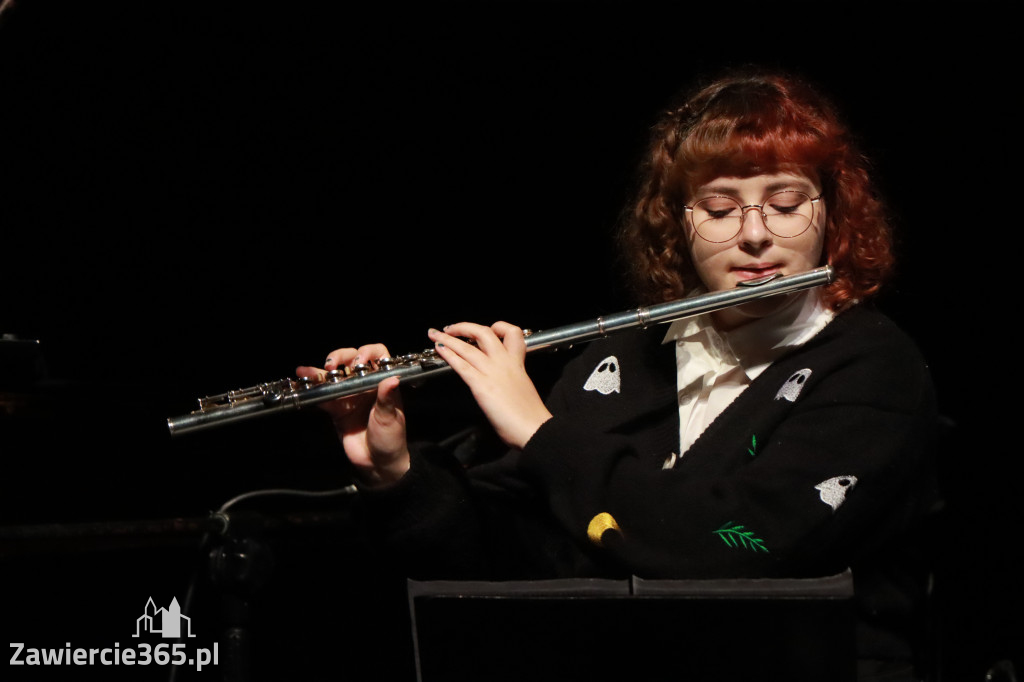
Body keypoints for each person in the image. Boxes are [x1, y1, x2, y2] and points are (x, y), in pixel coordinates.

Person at [297, 67, 939, 680]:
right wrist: (394, 473)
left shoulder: (874, 369)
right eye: (719, 209)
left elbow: (732, 550)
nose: (754, 235)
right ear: (678, 225)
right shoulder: (624, 363)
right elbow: (512, 561)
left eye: (785, 202)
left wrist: (542, 432)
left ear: (831, 213)